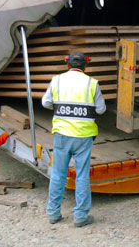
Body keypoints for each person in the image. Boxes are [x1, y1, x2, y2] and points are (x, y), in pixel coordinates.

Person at [42, 51, 105, 227]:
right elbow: (100, 109)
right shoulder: (92, 83)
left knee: (58, 174)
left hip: (62, 134)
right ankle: (80, 217)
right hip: (84, 136)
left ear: (67, 64)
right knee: (82, 175)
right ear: (86, 65)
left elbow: (45, 103)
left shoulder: (57, 80)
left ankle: (54, 213)